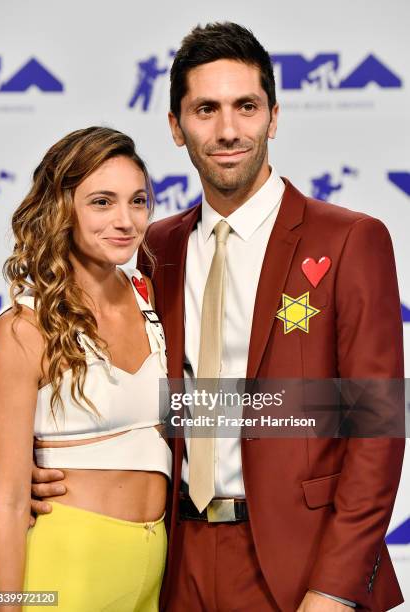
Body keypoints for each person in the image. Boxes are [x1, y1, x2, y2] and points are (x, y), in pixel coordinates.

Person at [30, 23, 405, 612]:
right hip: (172, 563)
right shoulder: (154, 248)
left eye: (246, 107)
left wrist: (334, 590)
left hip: (300, 568)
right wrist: (45, 466)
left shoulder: (351, 239)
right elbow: (133, 389)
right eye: (206, 109)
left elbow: (377, 426)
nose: (228, 129)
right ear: (177, 128)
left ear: (273, 117)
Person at [0, 127, 171, 612]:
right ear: (62, 207)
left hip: (158, 569)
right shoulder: (24, 329)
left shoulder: (153, 299)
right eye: (102, 202)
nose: (126, 220)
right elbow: (7, 499)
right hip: (68, 565)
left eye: (137, 201)